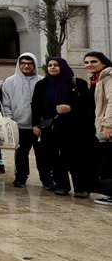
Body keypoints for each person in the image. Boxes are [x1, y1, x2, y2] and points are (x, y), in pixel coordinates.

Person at [32, 57, 95, 197]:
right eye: (50, 65)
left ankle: (81, 188)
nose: (52, 67)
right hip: (51, 128)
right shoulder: (42, 85)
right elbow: (36, 106)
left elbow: (88, 105)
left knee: (77, 158)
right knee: (55, 158)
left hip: (74, 127)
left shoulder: (78, 83)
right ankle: (62, 185)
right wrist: (35, 125)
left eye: (56, 65)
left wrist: (71, 108)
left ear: (63, 66)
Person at [2, 53, 50, 189]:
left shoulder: (42, 81)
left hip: (39, 126)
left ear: (35, 65)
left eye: (30, 63)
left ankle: (46, 178)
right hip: (19, 125)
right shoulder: (10, 82)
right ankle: (20, 177)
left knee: (42, 154)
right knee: (21, 154)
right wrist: (10, 119)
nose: (26, 66)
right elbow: (6, 103)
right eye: (23, 63)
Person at [84, 52, 112, 205]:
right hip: (101, 126)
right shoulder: (97, 78)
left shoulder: (109, 77)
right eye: (86, 62)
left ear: (104, 63)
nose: (89, 65)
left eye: (93, 61)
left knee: (109, 161)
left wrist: (108, 125)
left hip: (108, 127)